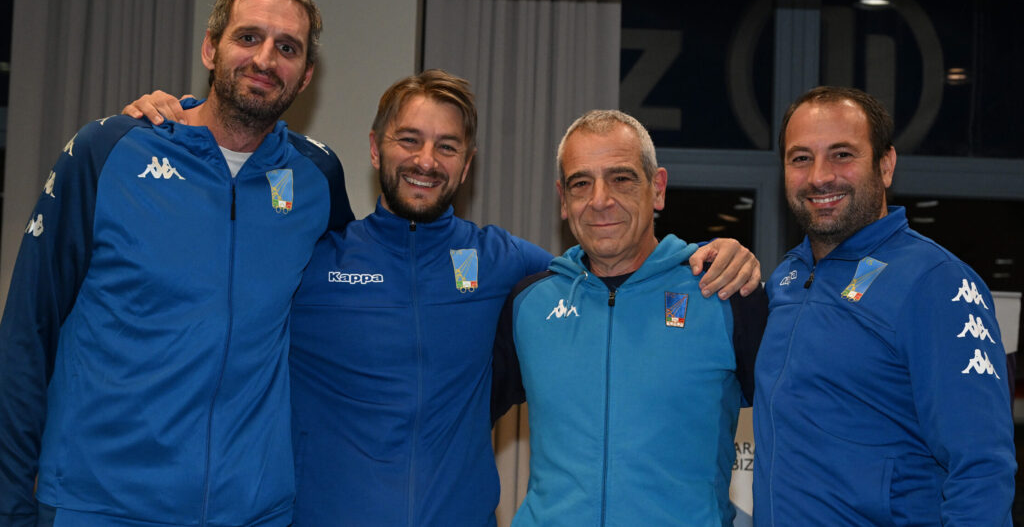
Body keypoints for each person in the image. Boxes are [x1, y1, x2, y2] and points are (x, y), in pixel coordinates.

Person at [122, 70, 761, 526]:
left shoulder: (515, 271)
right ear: (375, 147)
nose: (426, 160)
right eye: (409, 140)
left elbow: (615, 266)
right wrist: (186, 118)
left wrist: (715, 252)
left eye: (447, 146)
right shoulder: (312, 260)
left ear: (467, 164)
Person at [0, 0, 353, 527]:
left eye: (288, 48)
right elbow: (27, 333)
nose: (265, 59)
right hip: (100, 505)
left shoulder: (317, 177)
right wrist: (10, 504)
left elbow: (350, 312)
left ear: (306, 75)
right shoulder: (107, 151)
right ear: (211, 48)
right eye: (248, 37)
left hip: (252, 512)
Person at [492, 110, 769, 526]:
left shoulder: (724, 293)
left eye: (621, 178)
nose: (600, 200)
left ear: (657, 189)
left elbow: (800, 432)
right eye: (581, 183)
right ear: (563, 200)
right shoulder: (528, 304)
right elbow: (455, 419)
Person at [753, 86, 1015, 526]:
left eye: (842, 155)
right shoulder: (787, 279)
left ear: (886, 165)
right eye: (800, 158)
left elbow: (982, 468)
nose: (819, 176)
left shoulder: (937, 281)